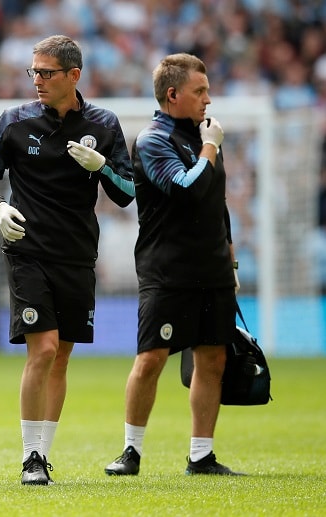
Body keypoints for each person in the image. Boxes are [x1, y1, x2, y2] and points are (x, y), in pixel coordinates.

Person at [0, 35, 135, 485]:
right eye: (34, 72)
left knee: (61, 357)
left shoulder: (104, 124)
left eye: (46, 73)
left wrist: (101, 166)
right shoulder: (14, 121)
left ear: (73, 75)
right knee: (42, 350)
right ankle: (29, 458)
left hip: (78, 255)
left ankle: (43, 456)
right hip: (27, 251)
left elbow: (127, 194)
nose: (38, 80)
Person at [104, 53, 242, 477]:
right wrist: (211, 147)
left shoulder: (203, 136)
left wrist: (230, 255)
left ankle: (201, 455)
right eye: (199, 91)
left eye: (207, 90)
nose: (208, 99)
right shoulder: (152, 140)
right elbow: (186, 190)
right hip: (167, 270)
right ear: (172, 94)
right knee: (151, 359)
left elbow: (216, 204)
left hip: (212, 267)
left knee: (212, 358)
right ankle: (130, 452)